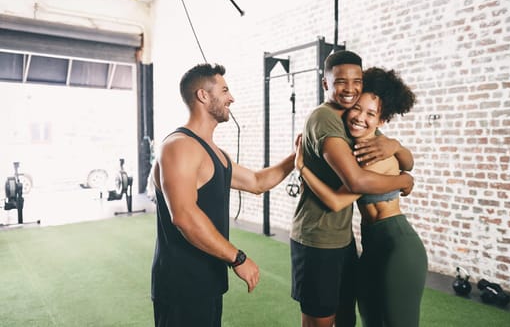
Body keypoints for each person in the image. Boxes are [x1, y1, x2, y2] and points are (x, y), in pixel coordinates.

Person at [150, 63, 296, 327]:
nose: (231, 98)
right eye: (225, 90)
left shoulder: (214, 152)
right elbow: (184, 216)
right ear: (203, 96)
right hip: (181, 284)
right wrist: (237, 257)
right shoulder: (179, 147)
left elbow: (256, 182)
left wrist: (297, 157)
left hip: (208, 280)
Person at [290, 50, 415, 327]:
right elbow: (354, 184)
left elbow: (407, 160)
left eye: (356, 81)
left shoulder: (363, 128)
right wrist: (405, 181)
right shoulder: (328, 118)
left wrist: (396, 146)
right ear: (326, 83)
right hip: (324, 238)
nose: (350, 91)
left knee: (362, 319)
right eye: (340, 81)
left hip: (363, 239)